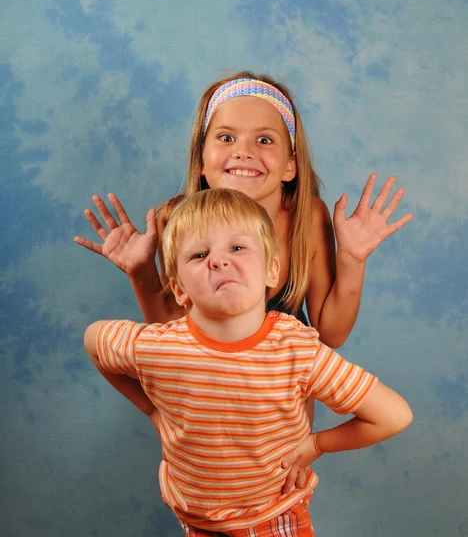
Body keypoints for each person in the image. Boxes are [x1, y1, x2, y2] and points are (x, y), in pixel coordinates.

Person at [84, 188, 413, 537]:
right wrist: (152, 410)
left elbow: (393, 415)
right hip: (197, 516)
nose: (219, 262)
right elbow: (94, 340)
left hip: (274, 514)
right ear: (178, 289)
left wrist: (318, 444)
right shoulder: (157, 347)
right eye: (199, 254)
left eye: (237, 248)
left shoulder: (296, 349)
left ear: (273, 268)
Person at [75, 71, 413, 345]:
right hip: (209, 399)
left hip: (284, 409)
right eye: (225, 138)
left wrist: (352, 261)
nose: (243, 151)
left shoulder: (306, 216)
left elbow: (331, 333)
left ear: (291, 165)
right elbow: (174, 326)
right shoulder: (174, 219)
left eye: (264, 140)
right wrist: (141, 272)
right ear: (202, 160)